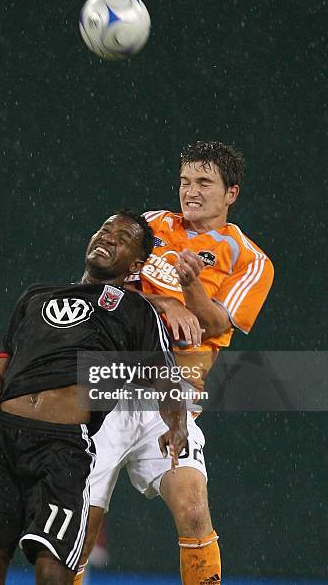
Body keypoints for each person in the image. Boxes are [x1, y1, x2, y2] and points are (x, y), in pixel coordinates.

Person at [0, 211, 188, 585]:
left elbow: (165, 378)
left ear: (137, 264)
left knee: (54, 577)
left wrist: (177, 424)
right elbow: (0, 369)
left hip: (62, 451)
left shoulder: (137, 311)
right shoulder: (36, 295)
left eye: (121, 237)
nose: (107, 237)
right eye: (104, 229)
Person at [75, 142, 274, 585]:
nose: (191, 191)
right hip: (109, 387)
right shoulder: (150, 225)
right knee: (82, 526)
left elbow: (219, 322)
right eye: (185, 181)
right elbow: (100, 286)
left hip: (172, 402)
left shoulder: (250, 259)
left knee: (193, 509)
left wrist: (192, 290)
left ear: (232, 193)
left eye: (204, 182)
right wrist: (167, 300)